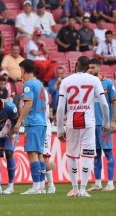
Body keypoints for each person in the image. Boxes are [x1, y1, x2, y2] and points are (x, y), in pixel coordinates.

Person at [56, 56, 110, 197]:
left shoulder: (66, 81)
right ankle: (83, 189)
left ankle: (74, 188)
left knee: (72, 155)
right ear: (88, 68)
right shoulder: (94, 80)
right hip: (88, 122)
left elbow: (61, 107)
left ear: (76, 65)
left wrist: (60, 128)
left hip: (71, 122)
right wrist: (106, 122)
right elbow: (104, 104)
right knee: (88, 155)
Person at [13, 59, 47, 194]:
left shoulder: (28, 84)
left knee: (32, 153)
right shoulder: (39, 84)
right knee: (39, 154)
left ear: (23, 70)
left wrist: (19, 121)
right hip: (42, 121)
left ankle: (35, 186)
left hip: (33, 122)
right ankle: (41, 186)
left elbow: (28, 104)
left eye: (20, 69)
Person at [87, 58, 116, 192]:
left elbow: (114, 103)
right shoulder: (88, 85)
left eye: (93, 67)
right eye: (89, 67)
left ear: (99, 68)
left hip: (104, 125)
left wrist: (113, 121)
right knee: (96, 154)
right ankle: (97, 183)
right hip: (92, 124)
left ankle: (110, 183)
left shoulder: (108, 83)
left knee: (108, 152)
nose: (90, 70)